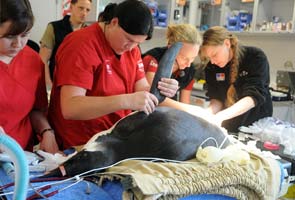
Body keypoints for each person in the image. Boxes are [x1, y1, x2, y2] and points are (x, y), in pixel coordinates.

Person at [48, 0, 180, 150]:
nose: (131, 47)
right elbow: (70, 108)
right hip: (79, 144)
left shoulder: (132, 49)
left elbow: (142, 88)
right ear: (114, 22)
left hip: (113, 139)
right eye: (129, 40)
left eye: (137, 43)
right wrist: (126, 101)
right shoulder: (81, 45)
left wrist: (162, 89)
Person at [0, 0, 59, 153]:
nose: (18, 44)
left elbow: (35, 110)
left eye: (25, 35)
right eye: (9, 36)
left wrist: (47, 132)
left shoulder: (33, 60)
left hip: (21, 156)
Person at [200, 26, 273, 132]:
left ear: (227, 44)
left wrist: (221, 116)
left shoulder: (254, 57)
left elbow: (253, 96)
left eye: (215, 55)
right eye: (209, 58)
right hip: (228, 123)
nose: (212, 61)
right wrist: (209, 113)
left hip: (256, 125)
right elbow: (216, 98)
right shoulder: (212, 67)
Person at [142, 24, 202, 104]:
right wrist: (190, 109)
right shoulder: (153, 59)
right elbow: (152, 97)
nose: (188, 64)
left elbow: (184, 101)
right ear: (171, 47)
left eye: (193, 58)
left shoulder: (190, 70)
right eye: (185, 58)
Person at [39, 0, 92, 88]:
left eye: (87, 10)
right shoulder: (54, 27)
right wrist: (48, 84)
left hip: (80, 84)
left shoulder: (89, 32)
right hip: (57, 82)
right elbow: (43, 59)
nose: (84, 13)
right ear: (71, 7)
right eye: (81, 8)